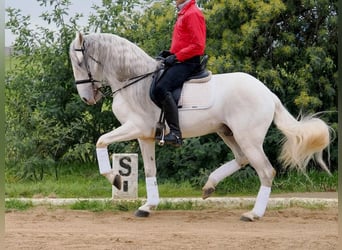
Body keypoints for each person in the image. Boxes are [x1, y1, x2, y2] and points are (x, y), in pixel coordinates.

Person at [153, 0, 206, 146]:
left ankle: (176, 134)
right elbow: (185, 41)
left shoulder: (193, 13)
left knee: (161, 89)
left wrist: (176, 57)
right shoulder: (184, 12)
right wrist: (170, 53)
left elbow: (198, 46)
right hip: (181, 60)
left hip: (188, 63)